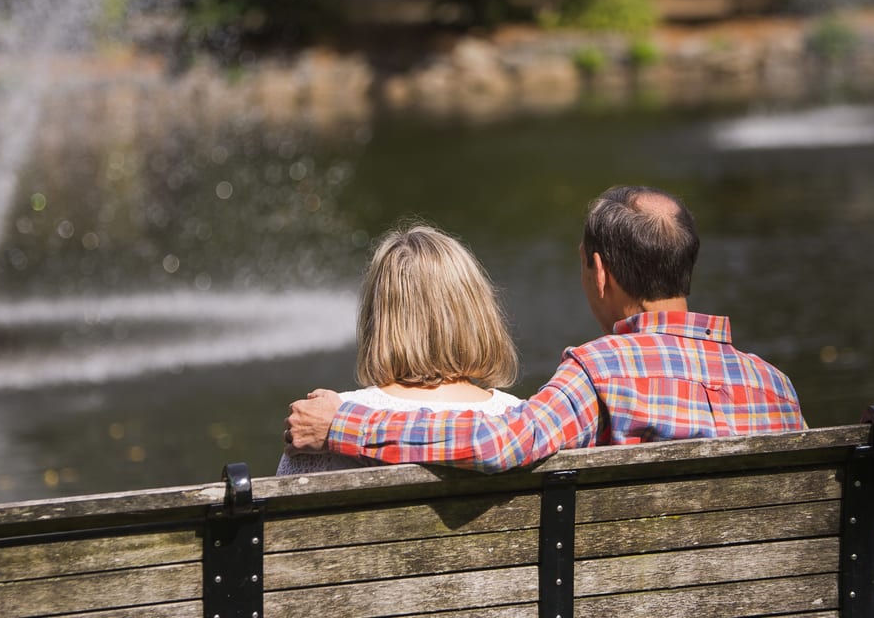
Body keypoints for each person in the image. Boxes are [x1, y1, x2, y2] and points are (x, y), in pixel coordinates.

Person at [284, 185, 806, 472]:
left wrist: (341, 423)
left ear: (599, 272)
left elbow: (496, 444)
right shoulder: (774, 387)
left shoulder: (598, 374)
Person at [276, 223, 523, 474]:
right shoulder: (519, 423)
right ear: (477, 312)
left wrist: (336, 427)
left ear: (377, 319)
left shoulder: (317, 427)